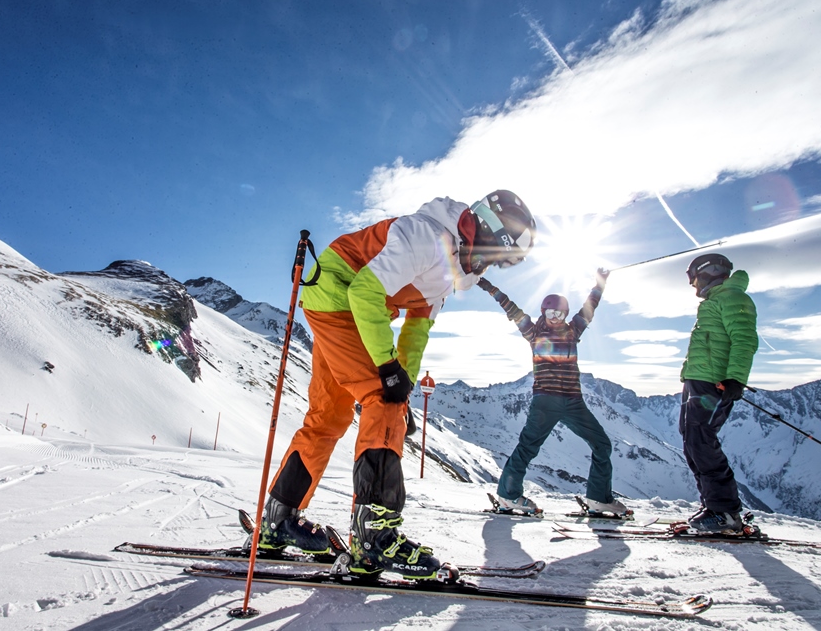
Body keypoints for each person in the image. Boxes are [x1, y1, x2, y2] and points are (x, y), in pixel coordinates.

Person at [258, 190, 536, 579]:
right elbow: (364, 291)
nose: (495, 268)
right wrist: (388, 376)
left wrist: (401, 386)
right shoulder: (424, 236)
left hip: (336, 303)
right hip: (341, 299)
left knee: (332, 415)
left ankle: (279, 518)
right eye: (502, 259)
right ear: (492, 237)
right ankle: (374, 539)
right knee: (380, 401)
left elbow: (416, 331)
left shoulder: (450, 270)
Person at [480, 268, 626, 517]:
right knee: (528, 447)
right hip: (545, 400)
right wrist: (490, 287)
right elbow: (510, 307)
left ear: (566, 315)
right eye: (550, 312)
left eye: (559, 313)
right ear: (543, 312)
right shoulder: (533, 331)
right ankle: (508, 495)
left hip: (573, 402)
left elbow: (590, 305)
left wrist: (599, 283)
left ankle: (599, 499)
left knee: (602, 445)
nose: (554, 317)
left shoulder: (573, 330)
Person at [680, 253, 758, 534]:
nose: (694, 286)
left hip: (714, 383)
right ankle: (713, 507)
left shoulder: (733, 298)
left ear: (708, 272)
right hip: (698, 381)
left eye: (694, 279)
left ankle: (725, 512)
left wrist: (736, 378)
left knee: (702, 440)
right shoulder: (715, 301)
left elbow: (744, 339)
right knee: (692, 441)